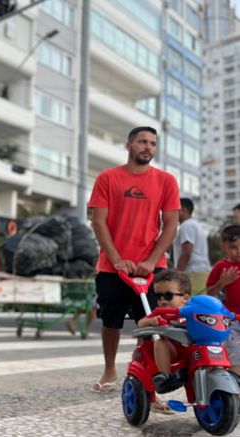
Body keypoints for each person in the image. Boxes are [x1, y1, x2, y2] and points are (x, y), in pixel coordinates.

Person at [88, 126, 180, 394]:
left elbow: (171, 224)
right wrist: (116, 259)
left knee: (154, 326)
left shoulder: (166, 181)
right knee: (111, 321)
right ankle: (109, 370)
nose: (148, 147)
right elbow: (98, 221)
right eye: (142, 142)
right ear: (128, 145)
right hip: (112, 268)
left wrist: (152, 260)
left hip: (152, 269)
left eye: (152, 143)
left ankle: (151, 380)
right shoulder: (107, 178)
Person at [137, 269, 191, 413]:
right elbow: (140, 323)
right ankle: (165, 376)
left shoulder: (191, 311)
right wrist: (151, 320)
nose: (162, 300)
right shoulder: (160, 312)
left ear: (184, 298)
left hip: (192, 351)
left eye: (168, 295)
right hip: (172, 351)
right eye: (158, 296)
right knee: (160, 342)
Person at [206, 224, 240, 375]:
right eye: (233, 247)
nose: (238, 251)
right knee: (234, 358)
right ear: (224, 247)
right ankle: (236, 393)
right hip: (231, 320)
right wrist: (223, 282)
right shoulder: (221, 267)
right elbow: (210, 294)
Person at [173, 198, 211, 295]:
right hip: (200, 273)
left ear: (183, 210)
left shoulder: (187, 226)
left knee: (192, 306)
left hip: (193, 273)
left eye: (175, 209)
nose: (173, 212)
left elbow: (186, 253)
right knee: (199, 307)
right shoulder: (195, 225)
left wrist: (178, 274)